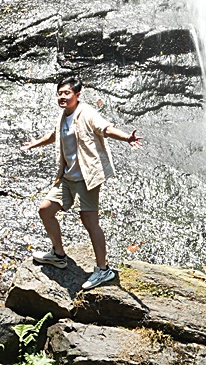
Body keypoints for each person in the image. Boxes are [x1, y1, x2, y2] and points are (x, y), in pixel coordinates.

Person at [21, 77, 141, 289]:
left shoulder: (86, 113)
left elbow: (104, 128)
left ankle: (103, 270)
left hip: (87, 177)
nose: (62, 97)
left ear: (77, 95)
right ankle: (58, 255)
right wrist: (35, 144)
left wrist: (126, 138)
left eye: (66, 93)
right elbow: (54, 135)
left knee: (89, 222)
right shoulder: (63, 116)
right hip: (67, 177)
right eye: (59, 93)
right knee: (45, 210)